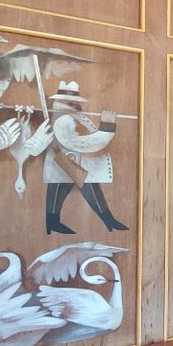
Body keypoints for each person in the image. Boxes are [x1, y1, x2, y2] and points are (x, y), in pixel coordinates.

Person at [42, 81, 128, 234]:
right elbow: (77, 143)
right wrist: (107, 127)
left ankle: (108, 220)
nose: (77, 105)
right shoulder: (64, 119)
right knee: (64, 186)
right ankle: (108, 220)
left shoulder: (69, 116)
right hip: (64, 161)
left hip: (68, 161)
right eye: (73, 102)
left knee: (82, 185)